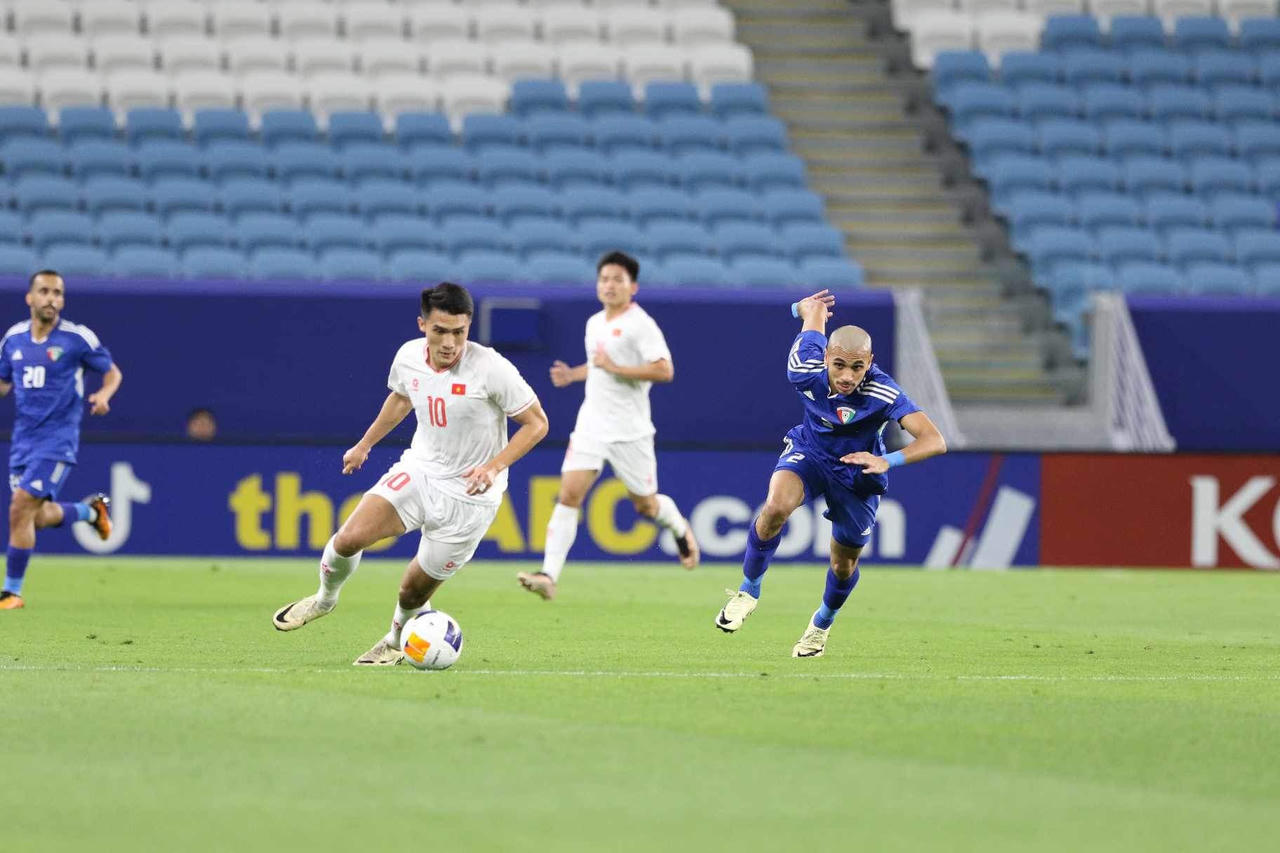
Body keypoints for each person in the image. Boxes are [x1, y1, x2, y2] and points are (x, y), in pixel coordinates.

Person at [272, 282, 549, 665]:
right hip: (420, 471)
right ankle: (323, 599)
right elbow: (402, 398)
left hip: (470, 499)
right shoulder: (408, 357)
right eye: (440, 331)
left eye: (459, 332)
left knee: (411, 593)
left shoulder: (493, 369)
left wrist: (493, 466)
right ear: (423, 325)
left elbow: (537, 424)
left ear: (469, 327)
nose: (450, 342)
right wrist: (365, 445)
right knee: (348, 538)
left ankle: (394, 639)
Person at [714, 289, 947, 657]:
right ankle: (748, 591)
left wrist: (889, 461)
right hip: (810, 453)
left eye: (858, 367)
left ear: (870, 361)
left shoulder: (884, 392)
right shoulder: (804, 370)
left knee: (843, 564)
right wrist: (803, 307)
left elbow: (934, 440)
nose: (847, 375)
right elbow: (811, 313)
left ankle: (820, 625)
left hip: (858, 473)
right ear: (825, 357)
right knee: (775, 507)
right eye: (839, 364)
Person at [517, 251, 699, 602]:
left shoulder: (640, 323)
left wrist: (615, 368)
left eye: (618, 279)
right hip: (591, 424)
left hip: (630, 430)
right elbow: (599, 364)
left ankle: (677, 524)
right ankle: (548, 575)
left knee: (645, 507)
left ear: (633, 287)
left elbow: (664, 370)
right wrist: (574, 374)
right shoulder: (594, 322)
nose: (609, 285)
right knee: (569, 493)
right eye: (604, 279)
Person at [0, 270, 120, 611]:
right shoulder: (12, 340)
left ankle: (11, 592)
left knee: (19, 508)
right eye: (45, 291)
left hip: (58, 440)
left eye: (58, 293)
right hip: (23, 441)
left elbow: (112, 373)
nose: (52, 298)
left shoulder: (76, 339)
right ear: (30, 298)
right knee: (33, 518)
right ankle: (90, 511)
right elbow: (3, 383)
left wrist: (104, 395)